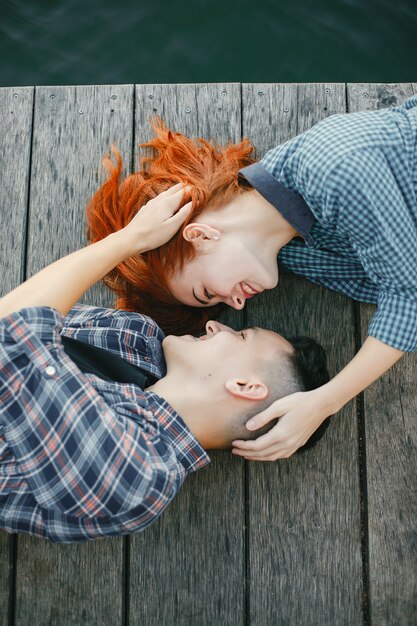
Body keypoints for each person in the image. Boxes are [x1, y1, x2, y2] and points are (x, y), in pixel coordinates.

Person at [86, 94, 417, 462]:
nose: (239, 303)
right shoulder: (294, 249)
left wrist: (325, 401)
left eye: (207, 291)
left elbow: (408, 298)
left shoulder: (331, 165)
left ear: (200, 236)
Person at [0, 185, 329, 543]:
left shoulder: (138, 477)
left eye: (240, 336)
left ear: (245, 386)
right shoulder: (137, 338)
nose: (214, 324)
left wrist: (129, 240)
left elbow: (13, 332)